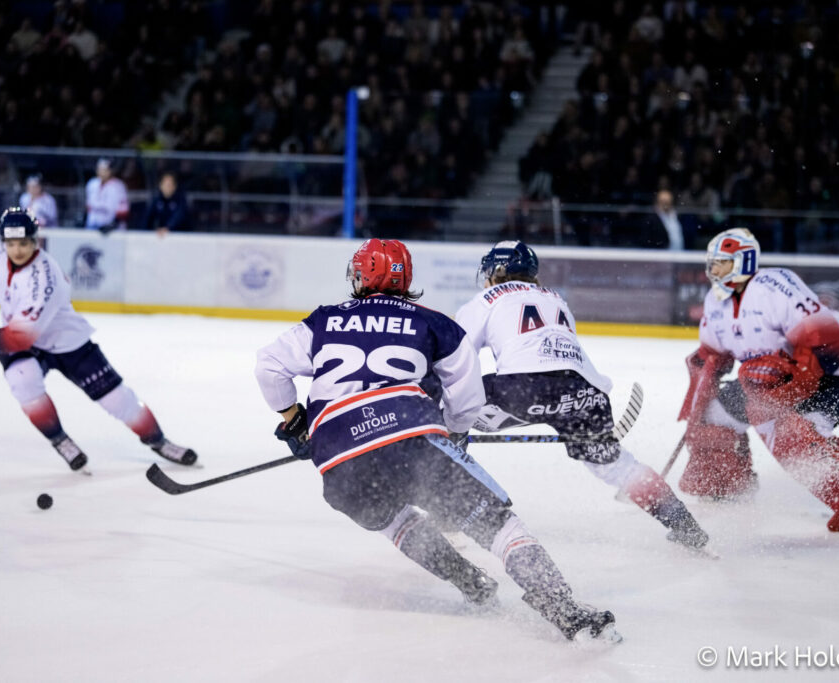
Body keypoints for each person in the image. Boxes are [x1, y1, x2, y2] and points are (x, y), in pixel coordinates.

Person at [254, 239, 622, 643]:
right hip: (412, 443)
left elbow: (269, 366)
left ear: (363, 275)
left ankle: (468, 582)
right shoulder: (435, 323)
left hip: (339, 462)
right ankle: (559, 605)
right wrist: (450, 433)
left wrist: (295, 422)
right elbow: (467, 404)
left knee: (394, 517)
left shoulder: (325, 320)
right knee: (498, 525)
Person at [455, 241, 709, 549]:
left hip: (524, 392)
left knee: (443, 419)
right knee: (615, 465)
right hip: (588, 394)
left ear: (496, 271)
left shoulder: (486, 299)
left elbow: (456, 357)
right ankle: (685, 526)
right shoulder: (556, 298)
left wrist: (453, 419)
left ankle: (453, 510)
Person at [677, 227, 839, 533]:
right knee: (712, 417)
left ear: (744, 261)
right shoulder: (715, 302)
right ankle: (727, 483)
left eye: (722, 262)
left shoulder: (774, 285)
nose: (713, 270)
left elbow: (824, 337)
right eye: (712, 262)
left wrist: (793, 391)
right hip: (765, 382)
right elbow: (714, 355)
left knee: (794, 437)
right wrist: (700, 389)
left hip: (828, 372)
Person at [0, 208, 198, 472]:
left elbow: (20, 337)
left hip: (66, 343)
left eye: (24, 243)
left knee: (119, 400)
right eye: (11, 243)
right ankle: (59, 439)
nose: (17, 250)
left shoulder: (45, 278)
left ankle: (159, 441)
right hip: (26, 341)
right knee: (22, 381)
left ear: (35, 240)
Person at [84, 158, 129, 233]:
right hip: (92, 226)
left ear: (110, 171)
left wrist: (113, 224)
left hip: (112, 230)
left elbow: (124, 211)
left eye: (105, 170)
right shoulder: (92, 184)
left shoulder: (118, 186)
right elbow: (89, 207)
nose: (102, 172)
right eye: (100, 169)